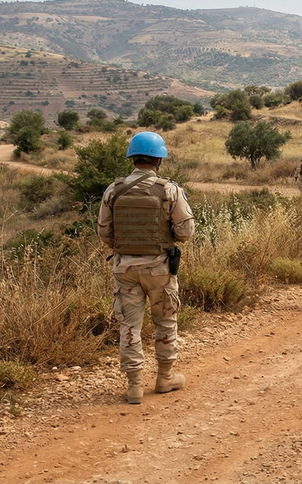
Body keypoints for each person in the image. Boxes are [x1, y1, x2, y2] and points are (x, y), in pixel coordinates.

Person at [98, 131, 195, 405]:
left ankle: (134, 386)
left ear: (132, 158)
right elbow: (186, 230)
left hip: (125, 268)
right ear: (158, 160)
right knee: (165, 321)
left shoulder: (113, 190)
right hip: (160, 268)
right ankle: (164, 378)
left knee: (129, 325)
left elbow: (104, 232)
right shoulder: (169, 189)